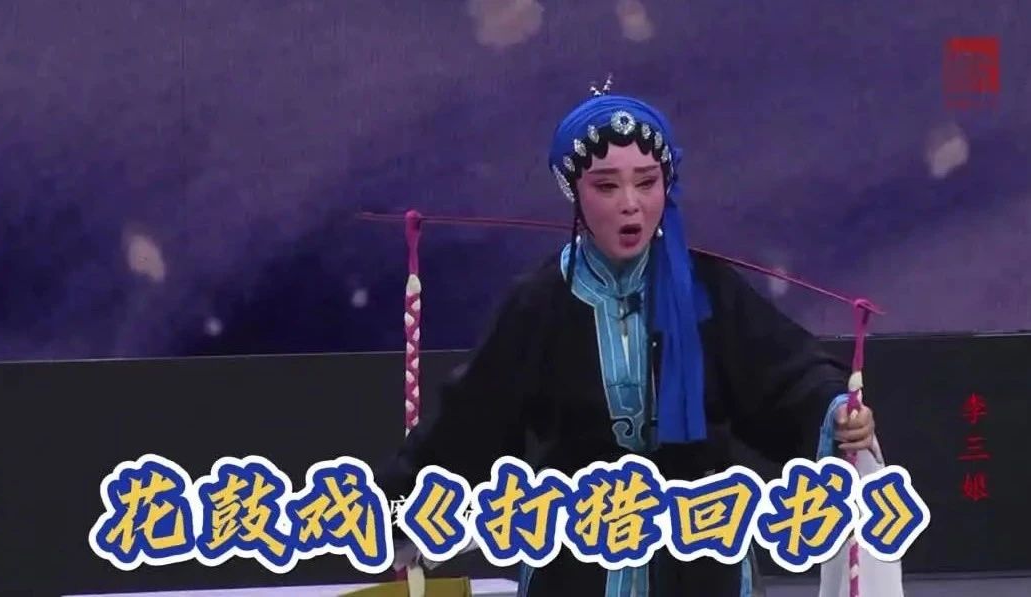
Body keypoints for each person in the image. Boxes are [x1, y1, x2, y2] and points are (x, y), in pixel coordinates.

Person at [376, 86, 877, 596]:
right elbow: (472, 422)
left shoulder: (706, 289)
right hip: (578, 547)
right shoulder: (541, 302)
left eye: (646, 182)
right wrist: (402, 511)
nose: (631, 205)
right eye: (606, 186)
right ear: (575, 191)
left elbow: (783, 374)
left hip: (696, 545)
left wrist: (835, 411)